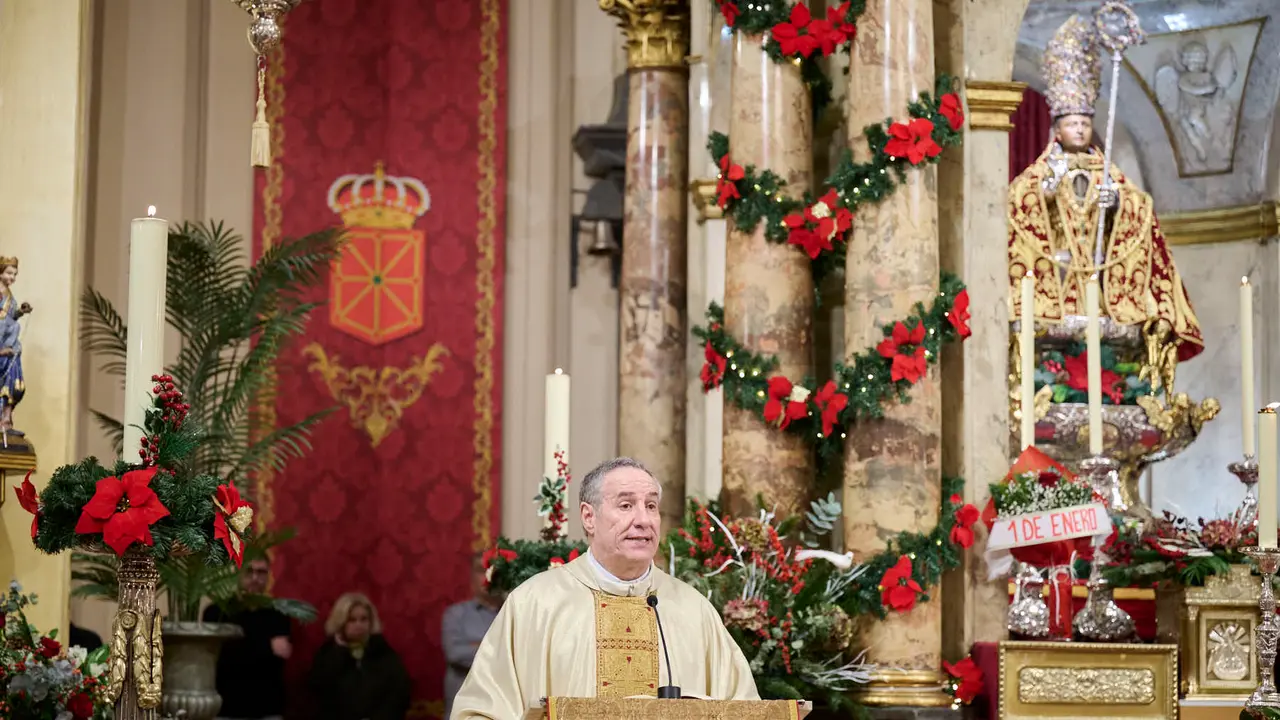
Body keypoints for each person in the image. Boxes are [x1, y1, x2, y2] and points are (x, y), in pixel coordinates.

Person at [450, 457, 758, 720]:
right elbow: (479, 711)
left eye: (651, 506)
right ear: (588, 517)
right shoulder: (535, 604)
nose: (643, 520)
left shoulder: (693, 610)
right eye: (626, 505)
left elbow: (744, 708)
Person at [1008, 14, 1203, 393]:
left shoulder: (1110, 174)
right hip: (1058, 282)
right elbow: (1017, 209)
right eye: (1072, 123)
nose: (1079, 129)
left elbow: (1140, 211)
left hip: (1101, 287)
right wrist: (1047, 195)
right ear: (1056, 129)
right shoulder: (1037, 176)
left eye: (1084, 122)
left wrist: (1114, 205)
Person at [202, 557, 292, 720]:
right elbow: (222, 657)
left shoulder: (279, 614)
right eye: (249, 571)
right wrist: (267, 647)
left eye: (261, 572)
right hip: (226, 705)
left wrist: (245, 647)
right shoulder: (217, 612)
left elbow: (279, 658)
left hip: (267, 706)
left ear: (268, 576)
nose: (255, 578)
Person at [307, 592, 411, 720]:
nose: (359, 625)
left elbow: (399, 693)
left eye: (363, 619)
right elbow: (320, 693)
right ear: (341, 622)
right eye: (352, 620)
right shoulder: (328, 653)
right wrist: (341, 652)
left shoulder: (383, 651)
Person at [441, 552, 501, 719]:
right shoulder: (455, 615)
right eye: (481, 570)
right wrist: (499, 648)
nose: (487, 575)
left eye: (492, 569)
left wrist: (476, 645)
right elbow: (456, 654)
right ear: (471, 576)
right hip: (464, 712)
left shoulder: (513, 612)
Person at [0, 257, 31, 435]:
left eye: (15, 274)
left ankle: (6, 421)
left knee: (15, 387)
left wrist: (21, 311)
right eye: (9, 273)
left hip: (11, 351)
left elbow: (10, 316)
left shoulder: (10, 296)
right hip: (2, 351)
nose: (12, 277)